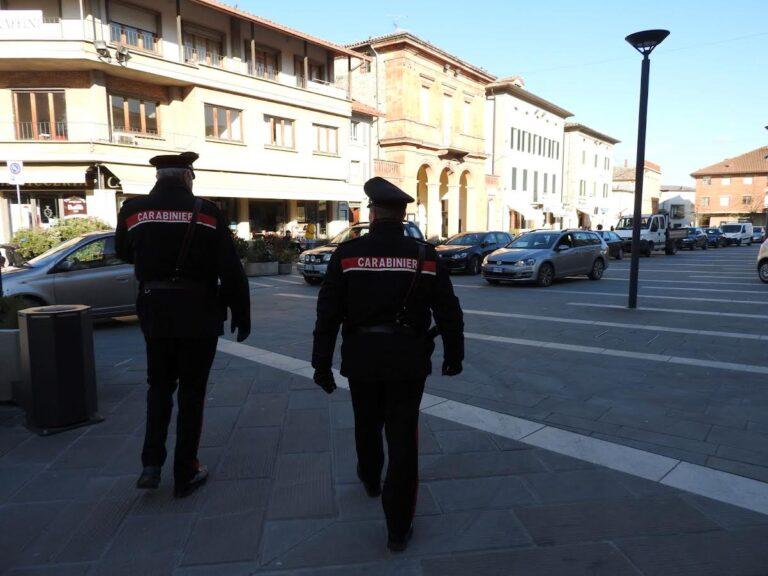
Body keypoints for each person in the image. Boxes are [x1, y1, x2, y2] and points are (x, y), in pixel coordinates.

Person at [311, 177, 464, 552]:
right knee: (402, 437)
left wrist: (321, 364)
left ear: (373, 212)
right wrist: (454, 355)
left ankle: (369, 477)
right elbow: (448, 310)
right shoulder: (425, 255)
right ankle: (397, 527)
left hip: (362, 357)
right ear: (403, 214)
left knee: (366, 421)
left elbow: (327, 313)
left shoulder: (347, 254)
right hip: (407, 360)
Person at [115, 151, 250, 498]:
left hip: (155, 311)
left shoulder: (133, 210)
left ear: (158, 177)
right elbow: (230, 268)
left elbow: (123, 251)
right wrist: (242, 313)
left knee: (158, 386)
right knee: (192, 393)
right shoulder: (206, 211)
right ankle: (185, 470)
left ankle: (151, 463)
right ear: (188, 175)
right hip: (199, 313)